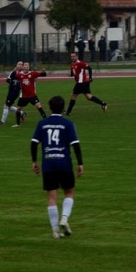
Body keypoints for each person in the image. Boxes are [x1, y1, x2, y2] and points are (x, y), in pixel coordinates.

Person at [31, 95, 83, 239]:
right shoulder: (68, 123)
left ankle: (55, 231)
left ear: (49, 107)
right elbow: (75, 144)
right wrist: (80, 163)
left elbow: (34, 142)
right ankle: (64, 218)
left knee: (52, 198)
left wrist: (34, 161)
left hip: (48, 162)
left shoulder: (42, 123)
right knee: (69, 192)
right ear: (63, 108)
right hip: (64, 162)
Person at [14, 62, 48, 127]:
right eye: (26, 65)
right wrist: (16, 69)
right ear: (23, 67)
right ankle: (17, 124)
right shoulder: (19, 75)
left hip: (32, 95)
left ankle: (46, 121)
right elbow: (14, 77)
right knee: (18, 109)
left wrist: (43, 71)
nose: (27, 66)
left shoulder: (33, 73)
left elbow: (44, 74)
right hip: (24, 96)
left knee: (39, 106)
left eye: (28, 65)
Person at [0, 60, 23, 126]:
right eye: (18, 64)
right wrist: (13, 82)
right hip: (10, 91)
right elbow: (7, 80)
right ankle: (22, 113)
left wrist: (18, 86)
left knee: (6, 106)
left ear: (22, 66)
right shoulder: (13, 72)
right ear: (16, 65)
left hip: (15, 92)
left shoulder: (23, 74)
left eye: (21, 64)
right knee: (8, 106)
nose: (20, 65)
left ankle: (2, 122)